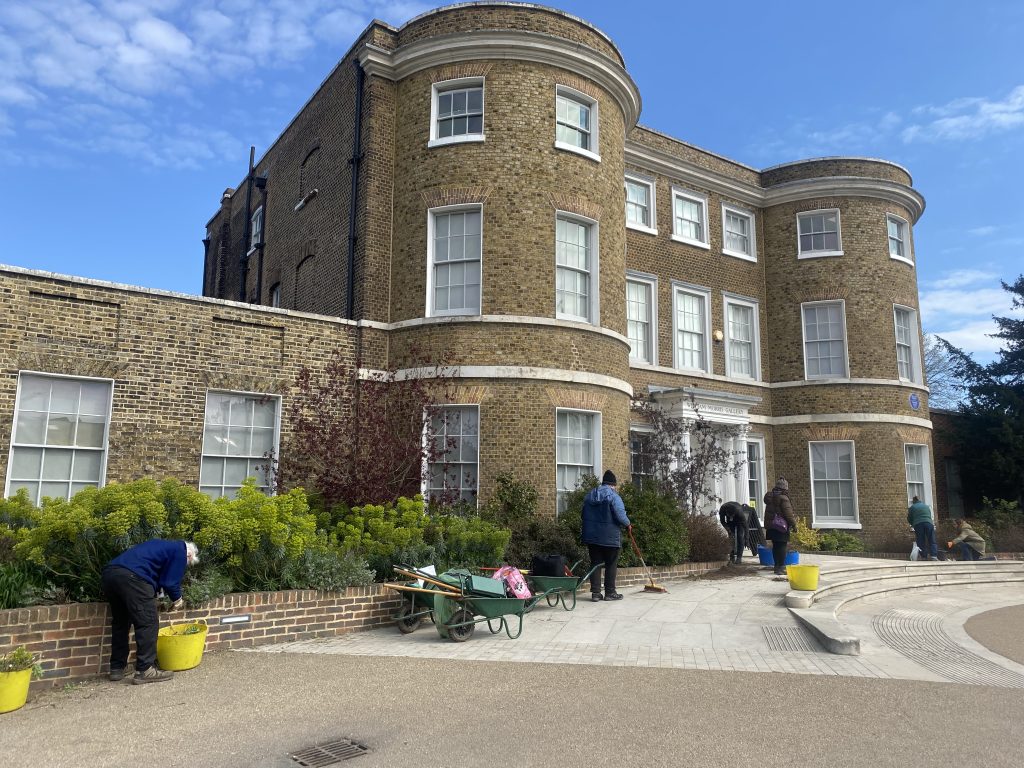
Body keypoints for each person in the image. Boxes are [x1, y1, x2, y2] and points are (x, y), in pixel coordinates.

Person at [101, 539, 199, 684]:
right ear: (189, 556)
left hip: (110, 574)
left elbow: (158, 578)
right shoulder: (181, 551)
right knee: (148, 622)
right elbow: (170, 582)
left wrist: (157, 595)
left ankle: (117, 668)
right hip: (133, 578)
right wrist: (178, 600)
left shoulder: (163, 546)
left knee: (121, 622)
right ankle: (145, 669)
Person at [581, 470, 631, 602]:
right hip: (610, 537)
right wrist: (628, 524)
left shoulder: (589, 495)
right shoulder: (614, 497)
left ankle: (596, 593)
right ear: (613, 485)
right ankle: (610, 592)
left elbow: (583, 515)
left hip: (592, 536)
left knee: (595, 563)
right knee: (611, 563)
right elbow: (620, 516)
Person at [763, 478, 796, 576]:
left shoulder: (769, 497)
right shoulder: (783, 498)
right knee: (782, 546)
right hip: (781, 527)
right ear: (784, 488)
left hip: (771, 526)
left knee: (776, 547)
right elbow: (788, 514)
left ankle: (776, 567)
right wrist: (794, 525)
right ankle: (781, 567)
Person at [907, 495, 938, 560]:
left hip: (918, 524)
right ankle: (934, 556)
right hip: (929, 523)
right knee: (932, 539)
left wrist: (912, 524)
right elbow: (930, 515)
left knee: (921, 540)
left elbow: (909, 518)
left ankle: (924, 556)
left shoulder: (912, 507)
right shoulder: (926, 506)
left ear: (914, 501)